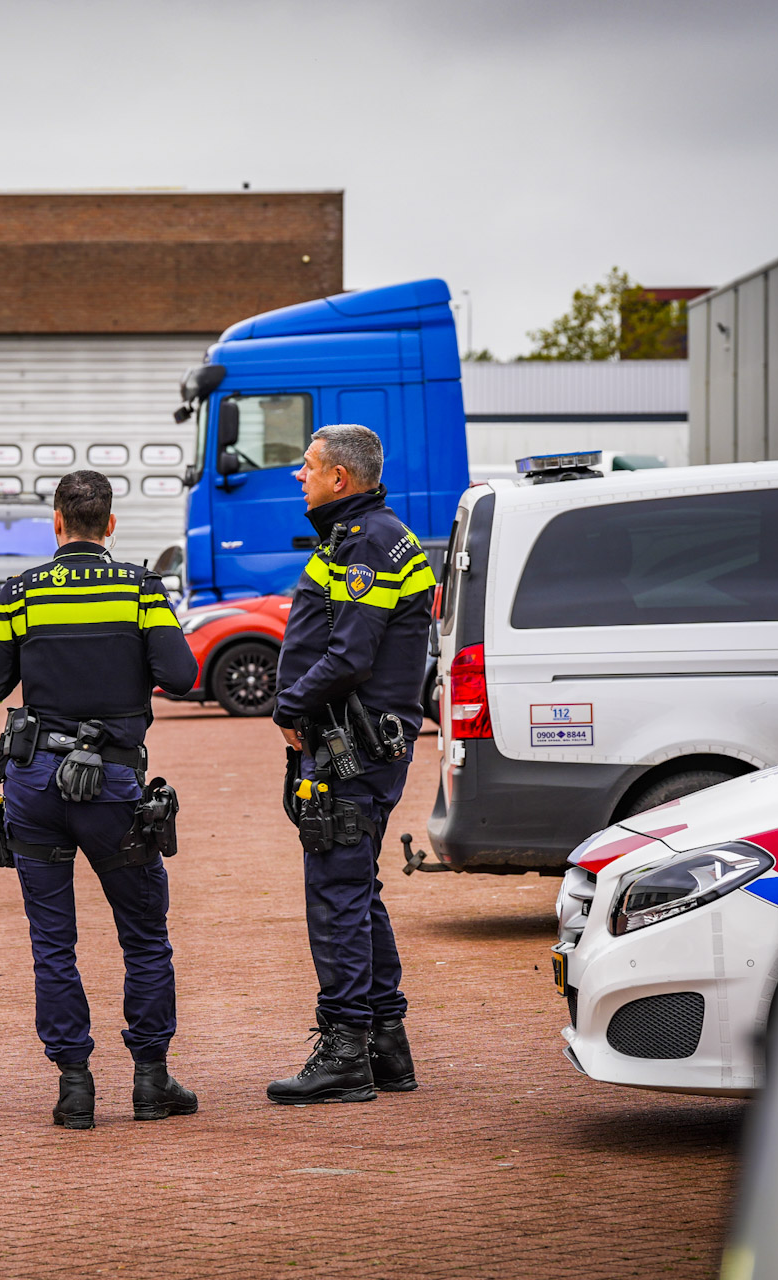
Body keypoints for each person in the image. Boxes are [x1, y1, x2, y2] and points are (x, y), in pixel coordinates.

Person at [0, 470, 200, 1129]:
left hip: (34, 784)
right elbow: (183, 676)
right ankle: (151, 1081)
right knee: (144, 934)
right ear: (111, 525)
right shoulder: (141, 590)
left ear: (57, 525)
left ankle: (74, 1086)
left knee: (52, 940)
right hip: (113, 788)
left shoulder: (21, 593)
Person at [267, 424, 435, 1104]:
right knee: (357, 889)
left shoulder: (366, 543)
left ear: (341, 477)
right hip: (364, 744)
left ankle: (344, 1051)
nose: (297, 476)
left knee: (335, 894)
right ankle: (386, 1044)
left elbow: (350, 655)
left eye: (307, 466)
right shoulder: (369, 535)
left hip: (351, 749)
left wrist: (287, 707)